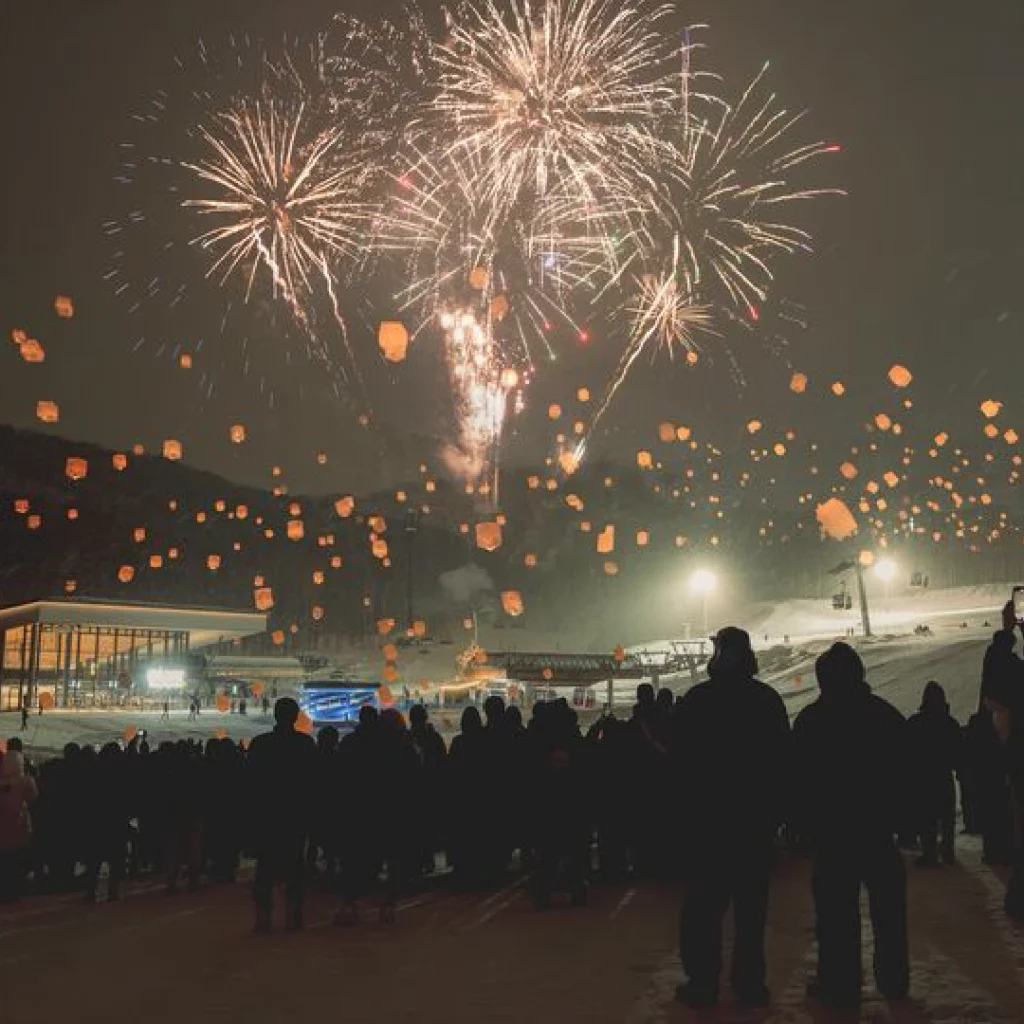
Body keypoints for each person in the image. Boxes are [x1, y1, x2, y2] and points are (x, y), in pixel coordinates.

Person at [672, 627, 791, 1010]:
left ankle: (703, 981)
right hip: (753, 825)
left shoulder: (698, 700)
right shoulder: (766, 701)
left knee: (703, 910)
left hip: (708, 825)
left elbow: (680, 765)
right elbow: (780, 765)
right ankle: (749, 983)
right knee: (751, 912)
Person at [792, 642, 910, 1010]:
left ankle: (840, 983)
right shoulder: (885, 715)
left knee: (836, 916)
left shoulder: (812, 721)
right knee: (889, 915)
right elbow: (905, 774)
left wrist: (802, 825)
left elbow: (799, 779)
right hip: (877, 831)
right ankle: (894, 980)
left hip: (833, 835)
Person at [247, 697, 317, 932]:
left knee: (265, 868)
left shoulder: (260, 744)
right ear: (296, 717)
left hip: (267, 815)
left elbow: (251, 783)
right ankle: (294, 916)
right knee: (295, 866)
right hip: (295, 815)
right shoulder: (305, 745)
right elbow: (312, 783)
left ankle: (263, 918)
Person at [907, 682, 962, 866]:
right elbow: (958, 755)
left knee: (926, 818)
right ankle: (948, 852)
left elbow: (906, 752)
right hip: (944, 777)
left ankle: (930, 853)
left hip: (924, 779)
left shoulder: (916, 723)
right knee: (947, 819)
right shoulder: (950, 723)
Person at [0, 750, 38, 902]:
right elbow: (33, 798)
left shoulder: (21, 782)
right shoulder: (25, 782)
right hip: (18, 829)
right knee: (14, 861)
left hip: (11, 830)